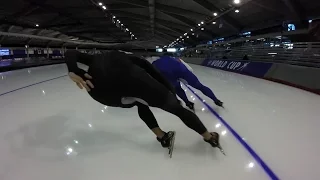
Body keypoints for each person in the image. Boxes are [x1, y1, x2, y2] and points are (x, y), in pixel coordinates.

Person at [64, 50, 224, 154]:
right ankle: (209, 137)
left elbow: (71, 52)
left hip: (101, 93)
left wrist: (73, 69)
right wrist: (170, 91)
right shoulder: (130, 58)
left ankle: (162, 136)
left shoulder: (94, 58)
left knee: (139, 102)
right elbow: (149, 68)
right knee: (177, 109)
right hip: (133, 81)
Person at [152, 55, 223, 111]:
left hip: (166, 74)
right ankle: (216, 100)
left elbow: (154, 73)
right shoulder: (177, 59)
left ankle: (188, 103)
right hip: (182, 71)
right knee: (200, 86)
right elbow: (190, 69)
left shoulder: (155, 63)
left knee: (178, 88)